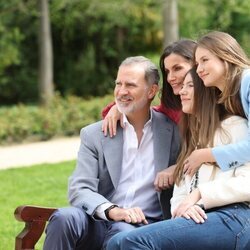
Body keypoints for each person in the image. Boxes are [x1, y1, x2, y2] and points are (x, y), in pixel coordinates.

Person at [43, 56, 180, 250]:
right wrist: (113, 211)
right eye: (118, 84)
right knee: (64, 218)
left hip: (141, 226)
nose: (122, 91)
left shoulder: (173, 132)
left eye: (130, 85)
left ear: (152, 91)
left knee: (124, 235)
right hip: (98, 217)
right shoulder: (94, 134)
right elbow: (79, 188)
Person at [106, 67, 250, 250]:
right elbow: (180, 194)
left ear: (205, 92)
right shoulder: (193, 140)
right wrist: (184, 207)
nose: (181, 91)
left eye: (189, 86)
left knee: (130, 242)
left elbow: (248, 182)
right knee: (115, 242)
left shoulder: (234, 127)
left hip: (235, 215)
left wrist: (200, 196)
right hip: (202, 218)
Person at [102, 39, 196, 190]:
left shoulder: (219, 105)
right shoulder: (173, 107)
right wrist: (118, 108)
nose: (170, 77)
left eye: (177, 68)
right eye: (167, 72)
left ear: (197, 65)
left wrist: (177, 168)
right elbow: (148, 112)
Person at [183, 31, 250, 176]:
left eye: (205, 60)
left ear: (225, 56)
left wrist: (206, 155)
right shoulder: (227, 95)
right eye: (197, 64)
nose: (199, 69)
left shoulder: (248, 82)